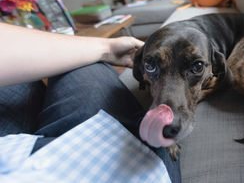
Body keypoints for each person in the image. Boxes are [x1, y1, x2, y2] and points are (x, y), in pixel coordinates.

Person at [0, 23, 181, 182]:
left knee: (33, 75)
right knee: (83, 63)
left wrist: (108, 48)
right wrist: (105, 49)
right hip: (103, 162)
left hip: (10, 150)